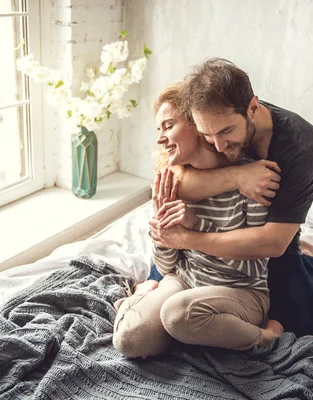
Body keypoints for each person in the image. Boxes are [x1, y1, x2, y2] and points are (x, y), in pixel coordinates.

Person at [150, 58, 313, 338]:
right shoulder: (211, 119)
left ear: (253, 108)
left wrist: (185, 239)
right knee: (157, 278)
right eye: (207, 136)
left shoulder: (301, 144)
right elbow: (173, 179)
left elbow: (273, 243)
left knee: (304, 325)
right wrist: (237, 176)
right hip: (219, 223)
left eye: (227, 132)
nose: (219, 145)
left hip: (275, 233)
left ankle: (312, 260)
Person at [112, 83, 283, 359]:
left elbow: (253, 268)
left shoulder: (250, 181)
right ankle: (143, 299)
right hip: (183, 282)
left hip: (240, 291)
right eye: (158, 129)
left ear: (197, 124)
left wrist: (195, 226)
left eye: (168, 126)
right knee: (129, 339)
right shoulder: (176, 183)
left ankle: (264, 337)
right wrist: (163, 231)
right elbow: (167, 266)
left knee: (178, 314)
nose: (160, 138)